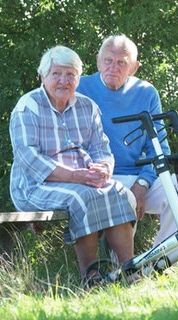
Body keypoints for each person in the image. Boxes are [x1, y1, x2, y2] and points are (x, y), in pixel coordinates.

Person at [9, 45, 136, 282]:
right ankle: (91, 277)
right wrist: (74, 176)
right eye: (56, 74)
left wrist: (104, 169)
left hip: (83, 180)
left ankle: (130, 271)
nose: (63, 81)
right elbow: (29, 159)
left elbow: (101, 149)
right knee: (82, 197)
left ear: (78, 78)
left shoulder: (88, 107)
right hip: (34, 185)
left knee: (118, 191)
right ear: (43, 76)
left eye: (70, 75)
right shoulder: (28, 107)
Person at [77, 35, 177, 246]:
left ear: (134, 67)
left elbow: (159, 147)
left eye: (122, 62)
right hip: (99, 179)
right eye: (108, 60)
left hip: (138, 176)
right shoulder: (79, 89)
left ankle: (159, 260)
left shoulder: (146, 93)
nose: (113, 67)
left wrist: (143, 182)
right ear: (98, 61)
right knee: (124, 199)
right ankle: (123, 269)